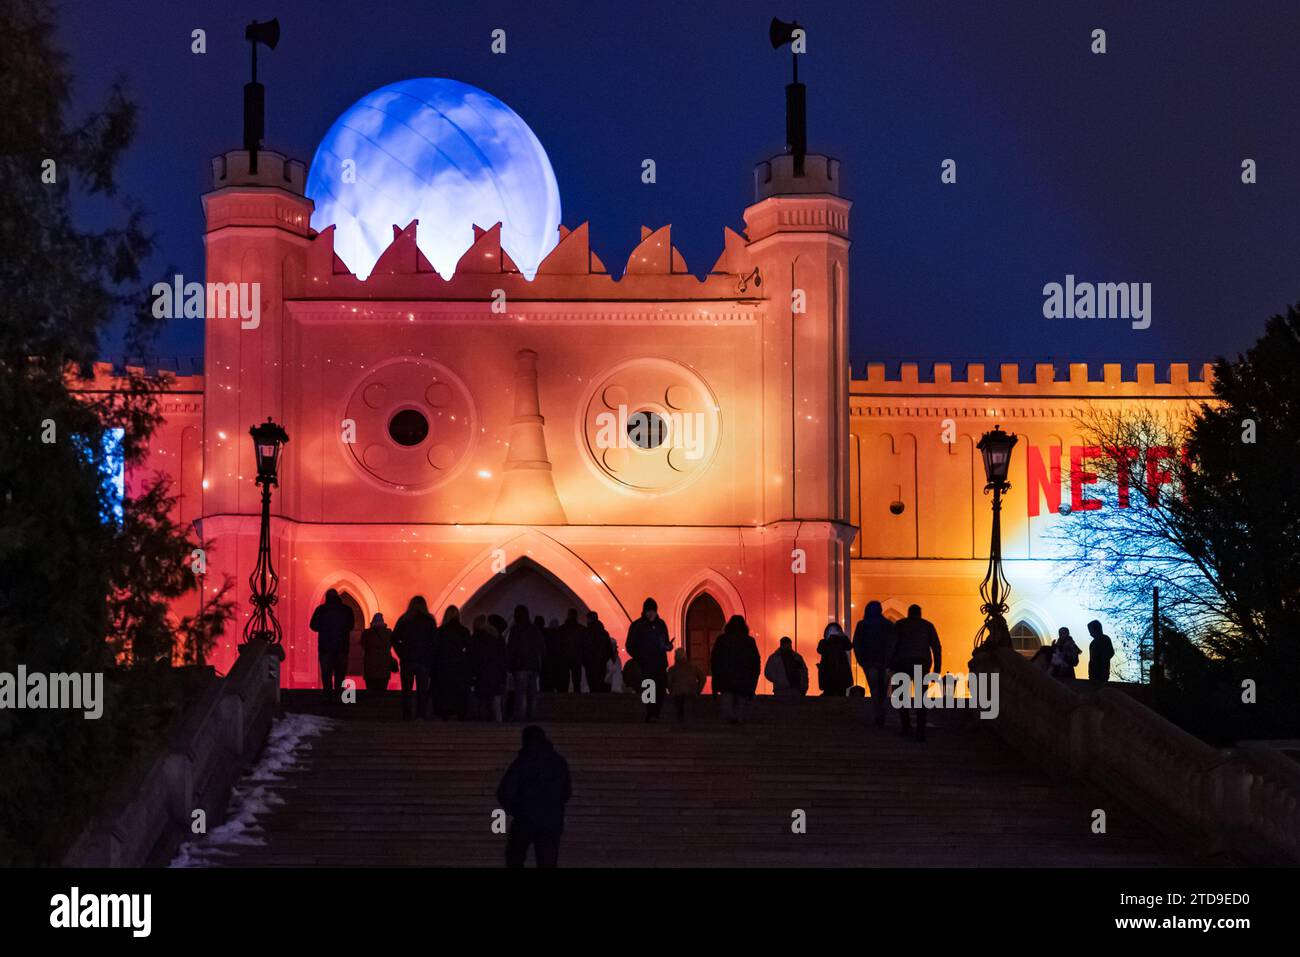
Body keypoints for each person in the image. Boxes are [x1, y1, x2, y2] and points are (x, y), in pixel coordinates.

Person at [496, 725, 572, 868]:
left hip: (525, 820)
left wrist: (518, 810)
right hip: (551, 821)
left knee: (514, 857)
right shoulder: (559, 762)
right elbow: (567, 793)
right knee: (547, 862)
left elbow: (504, 792)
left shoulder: (522, 761)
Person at [891, 604, 942, 742]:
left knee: (902, 697)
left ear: (908, 613)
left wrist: (890, 664)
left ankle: (906, 726)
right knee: (921, 698)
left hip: (902, 663)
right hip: (921, 663)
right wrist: (936, 670)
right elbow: (936, 648)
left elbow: (892, 645)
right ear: (920, 613)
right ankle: (920, 730)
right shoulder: (928, 626)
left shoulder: (900, 625)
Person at [625, 597, 672, 722]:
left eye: (653, 611)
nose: (651, 614)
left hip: (660, 663)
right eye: (649, 611)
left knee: (660, 689)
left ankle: (655, 713)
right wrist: (640, 657)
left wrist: (668, 646)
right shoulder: (637, 626)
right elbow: (629, 645)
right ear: (645, 612)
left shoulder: (661, 624)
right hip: (646, 664)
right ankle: (649, 713)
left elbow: (665, 641)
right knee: (649, 689)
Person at [392, 596, 437, 720]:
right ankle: (420, 715)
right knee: (422, 690)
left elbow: (394, 638)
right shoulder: (429, 620)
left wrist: (401, 653)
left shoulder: (404, 619)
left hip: (408, 660)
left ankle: (407, 716)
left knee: (407, 690)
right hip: (423, 660)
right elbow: (434, 641)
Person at [852, 601, 897, 727]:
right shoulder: (888, 625)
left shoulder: (862, 625)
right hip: (884, 661)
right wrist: (891, 660)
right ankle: (881, 711)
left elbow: (856, 643)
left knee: (875, 688)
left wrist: (861, 660)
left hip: (869, 661)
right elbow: (893, 643)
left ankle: (878, 712)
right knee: (883, 688)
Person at [710, 615, 761, 724]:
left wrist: (715, 683)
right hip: (743, 681)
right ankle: (738, 722)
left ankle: (732, 722)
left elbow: (715, 660)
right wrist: (753, 683)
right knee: (740, 707)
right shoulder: (749, 641)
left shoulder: (722, 640)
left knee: (728, 707)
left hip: (726, 680)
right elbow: (755, 663)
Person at [310, 589, 354, 702]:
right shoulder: (346, 610)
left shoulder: (321, 610)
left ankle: (328, 696)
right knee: (340, 674)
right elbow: (351, 625)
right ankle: (339, 697)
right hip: (341, 647)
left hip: (325, 647)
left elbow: (313, 625)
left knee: (326, 673)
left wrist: (324, 628)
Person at [433, 605, 472, 719]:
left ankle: (444, 713)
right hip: (460, 667)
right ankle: (459, 714)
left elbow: (435, 649)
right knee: (458, 693)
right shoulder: (464, 631)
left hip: (443, 667)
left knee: (444, 693)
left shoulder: (440, 631)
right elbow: (469, 650)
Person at [507, 605, 546, 721]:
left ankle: (520, 717)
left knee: (521, 694)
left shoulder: (515, 630)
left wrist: (509, 666)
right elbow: (542, 648)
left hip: (520, 666)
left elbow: (511, 649)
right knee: (532, 695)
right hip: (533, 666)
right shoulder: (535, 629)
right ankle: (531, 716)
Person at [470, 614, 508, 722]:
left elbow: (474, 659)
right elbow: (503, 659)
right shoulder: (497, 638)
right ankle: (498, 726)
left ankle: (482, 726)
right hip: (495, 676)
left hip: (481, 676)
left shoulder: (475, 639)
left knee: (482, 703)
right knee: (496, 704)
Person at [359, 612, 396, 698]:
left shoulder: (367, 633)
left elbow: (363, 644)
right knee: (382, 690)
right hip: (384, 665)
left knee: (371, 691)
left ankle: (371, 708)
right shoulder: (388, 633)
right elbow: (392, 643)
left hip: (370, 665)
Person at [667, 647, 706, 722]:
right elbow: (702, 678)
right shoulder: (693, 667)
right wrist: (698, 689)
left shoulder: (672, 669)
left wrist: (671, 691)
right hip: (691, 691)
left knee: (679, 710)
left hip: (677, 692)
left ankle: (680, 720)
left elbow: (669, 682)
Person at [816, 622, 854, 696]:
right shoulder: (825, 642)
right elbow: (820, 650)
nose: (833, 633)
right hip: (831, 674)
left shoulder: (840, 642)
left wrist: (841, 636)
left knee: (838, 693)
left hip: (836, 674)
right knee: (834, 694)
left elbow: (849, 646)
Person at [555, 608, 587, 693]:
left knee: (564, 680)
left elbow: (558, 644)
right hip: (577, 658)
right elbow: (584, 644)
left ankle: (564, 698)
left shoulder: (562, 629)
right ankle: (577, 698)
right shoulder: (582, 629)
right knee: (576, 681)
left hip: (564, 657)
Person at [581, 611, 613, 693]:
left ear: (590, 619)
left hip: (590, 662)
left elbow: (583, 647)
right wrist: (605, 658)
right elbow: (609, 648)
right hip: (601, 662)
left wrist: (584, 660)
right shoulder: (604, 633)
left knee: (592, 683)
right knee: (600, 682)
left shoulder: (586, 632)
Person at [1087, 619, 1114, 684]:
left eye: (1090, 630)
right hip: (1093, 674)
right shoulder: (1092, 643)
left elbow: (1110, 653)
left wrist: (1101, 660)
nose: (1090, 633)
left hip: (1102, 673)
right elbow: (1091, 659)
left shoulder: (1105, 639)